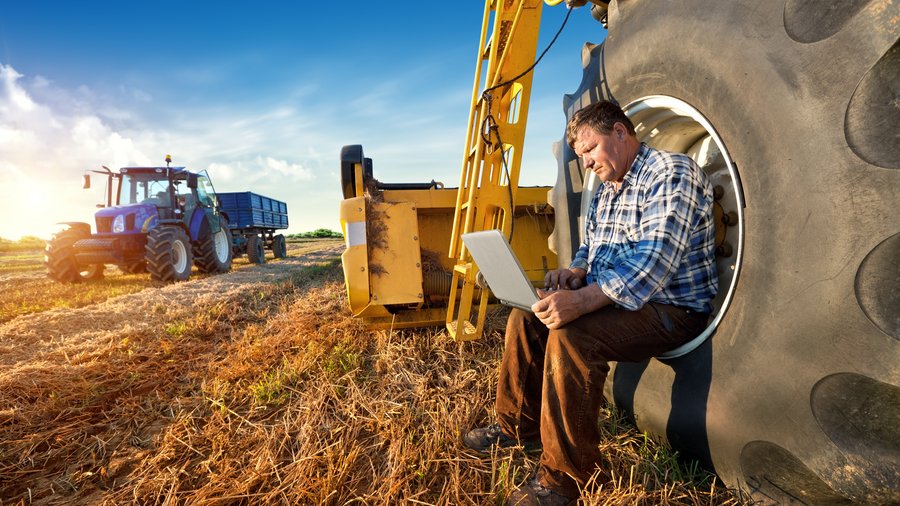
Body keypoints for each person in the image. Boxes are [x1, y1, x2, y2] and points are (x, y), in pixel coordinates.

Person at [463, 100, 719, 505]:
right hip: (624, 303)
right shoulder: (608, 190)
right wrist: (575, 273)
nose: (585, 164)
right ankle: (516, 428)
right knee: (525, 317)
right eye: (580, 156)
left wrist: (581, 302)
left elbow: (652, 265)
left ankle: (567, 478)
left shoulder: (670, 173)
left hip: (672, 309)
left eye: (589, 150)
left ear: (620, 132)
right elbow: (593, 248)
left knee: (571, 335)